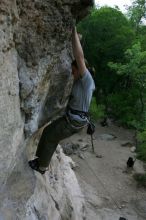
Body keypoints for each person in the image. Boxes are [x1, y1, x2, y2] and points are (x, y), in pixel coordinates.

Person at [28, 27, 95, 174]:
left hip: (73, 122)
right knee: (48, 132)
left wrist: (73, 31)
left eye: (73, 70)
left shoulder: (86, 80)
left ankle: (42, 166)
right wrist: (76, 38)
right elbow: (77, 59)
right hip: (73, 119)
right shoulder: (81, 81)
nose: (72, 73)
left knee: (50, 136)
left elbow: (80, 57)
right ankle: (40, 162)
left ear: (80, 70)